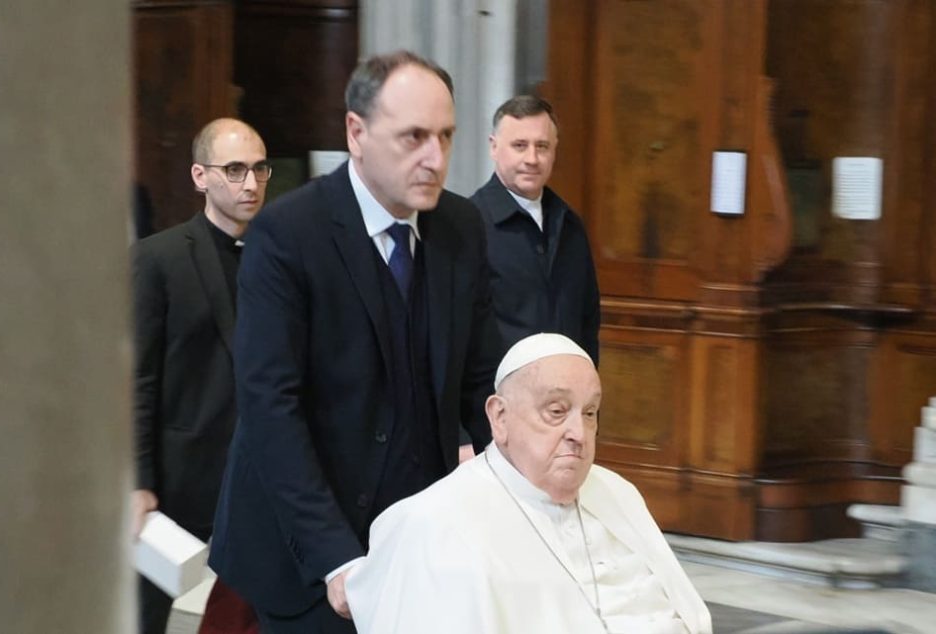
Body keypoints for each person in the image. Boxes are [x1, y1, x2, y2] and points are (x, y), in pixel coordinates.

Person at [208, 50, 501, 633]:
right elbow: (271, 407)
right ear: (356, 132)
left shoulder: (460, 227)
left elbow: (483, 380)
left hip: (417, 536)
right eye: (413, 137)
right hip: (305, 551)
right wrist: (334, 555)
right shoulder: (288, 234)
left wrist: (519, 490)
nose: (436, 158)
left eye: (445, 136)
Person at [345, 333, 713, 634]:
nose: (579, 433)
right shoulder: (433, 524)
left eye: (589, 413)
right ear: (499, 417)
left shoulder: (617, 493)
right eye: (556, 411)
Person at [131, 118, 269, 634]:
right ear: (200, 176)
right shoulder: (157, 259)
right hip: (179, 480)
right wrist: (139, 482)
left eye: (258, 169)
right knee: (145, 618)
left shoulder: (281, 256)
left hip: (259, 478)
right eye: (234, 170)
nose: (250, 183)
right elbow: (137, 381)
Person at [471, 95, 600, 363]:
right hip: (501, 386)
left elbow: (588, 321)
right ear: (494, 147)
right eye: (519, 146)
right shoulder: (469, 225)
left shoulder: (570, 225)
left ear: (555, 150)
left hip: (568, 384)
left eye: (542, 146)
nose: (532, 158)